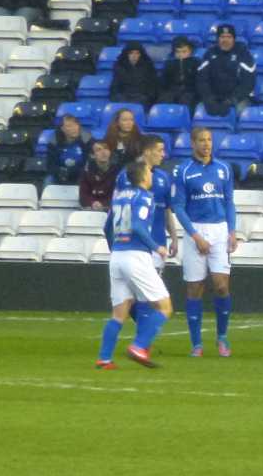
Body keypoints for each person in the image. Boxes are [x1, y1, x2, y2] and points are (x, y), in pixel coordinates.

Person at [96, 158, 173, 371]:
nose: (152, 175)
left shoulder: (119, 196)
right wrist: (156, 247)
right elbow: (139, 227)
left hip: (117, 256)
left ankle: (104, 359)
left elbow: (108, 227)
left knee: (119, 313)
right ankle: (139, 346)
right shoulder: (145, 197)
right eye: (149, 172)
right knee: (165, 306)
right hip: (136, 256)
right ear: (143, 176)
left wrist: (116, 247)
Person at [172, 126, 239, 359]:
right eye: (201, 140)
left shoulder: (223, 169)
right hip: (196, 230)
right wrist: (195, 235)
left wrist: (232, 231)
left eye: (209, 140)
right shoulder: (183, 170)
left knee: (221, 285)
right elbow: (178, 207)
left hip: (220, 229)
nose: (206, 144)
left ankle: (222, 337)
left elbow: (230, 201)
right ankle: (196, 343)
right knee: (194, 287)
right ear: (192, 143)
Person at [195, 24, 257, 119]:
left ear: (234, 39)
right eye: (222, 37)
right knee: (199, 111)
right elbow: (202, 79)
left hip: (239, 98)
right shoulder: (210, 53)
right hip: (215, 97)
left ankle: (238, 133)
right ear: (217, 39)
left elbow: (248, 83)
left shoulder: (243, 54)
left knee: (242, 112)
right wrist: (208, 98)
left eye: (229, 37)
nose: (225, 40)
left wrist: (231, 100)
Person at [47, 112, 92, 187]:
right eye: (69, 126)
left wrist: (72, 172)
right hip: (60, 174)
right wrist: (60, 172)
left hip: (80, 174)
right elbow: (50, 165)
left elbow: (89, 163)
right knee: (48, 181)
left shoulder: (86, 139)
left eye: (76, 125)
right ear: (63, 129)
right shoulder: (54, 142)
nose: (74, 128)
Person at [159, 35, 200, 107]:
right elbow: (164, 82)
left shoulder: (196, 63)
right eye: (178, 52)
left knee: (186, 101)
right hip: (172, 91)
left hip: (190, 91)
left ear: (190, 51)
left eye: (184, 52)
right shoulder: (169, 64)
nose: (181, 55)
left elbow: (199, 82)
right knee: (165, 101)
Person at [79, 140, 117, 210]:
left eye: (106, 148)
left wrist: (103, 203)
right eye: (98, 150)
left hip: (113, 209)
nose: (104, 152)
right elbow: (83, 196)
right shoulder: (86, 172)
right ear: (92, 155)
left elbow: (119, 195)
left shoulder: (118, 171)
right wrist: (92, 203)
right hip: (92, 209)